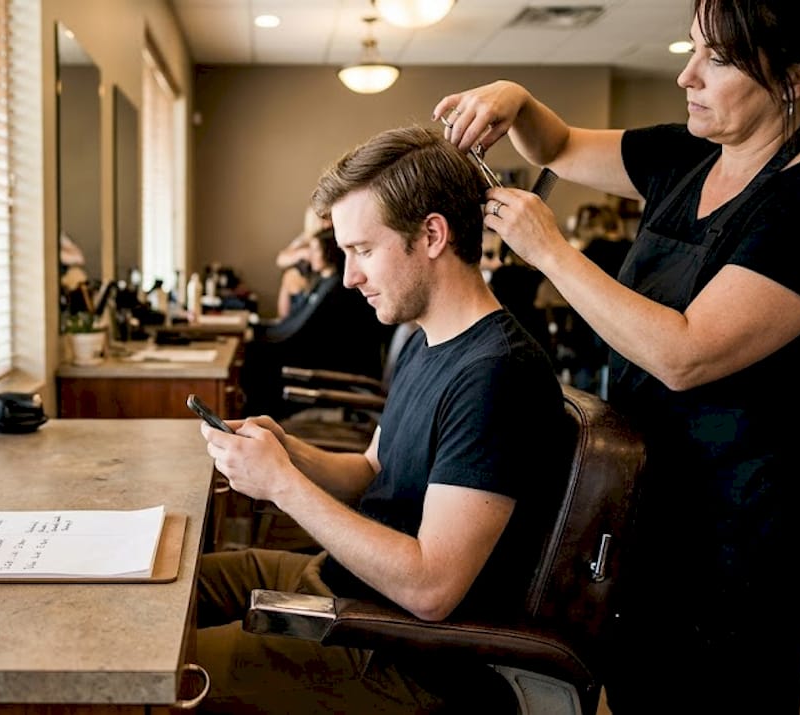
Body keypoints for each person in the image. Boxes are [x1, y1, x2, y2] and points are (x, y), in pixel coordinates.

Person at [433, 1, 800, 712]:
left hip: (746, 536)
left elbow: (685, 354)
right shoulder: (685, 155)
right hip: (648, 508)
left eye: (718, 59)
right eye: (693, 48)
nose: (687, 75)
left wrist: (551, 251)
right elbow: (557, 145)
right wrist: (514, 99)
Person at [194, 125, 566, 713]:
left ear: (433, 235)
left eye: (363, 251)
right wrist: (288, 451)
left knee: (158, 671)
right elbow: (373, 470)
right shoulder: (427, 339)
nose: (349, 276)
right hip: (347, 589)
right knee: (183, 582)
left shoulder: (497, 375)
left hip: (402, 656)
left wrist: (281, 484)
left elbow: (432, 588)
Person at [239, 226, 390, 418]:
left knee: (256, 360)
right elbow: (294, 323)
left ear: (329, 251)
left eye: (315, 249)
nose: (310, 255)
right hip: (312, 353)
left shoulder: (337, 289)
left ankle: (256, 419)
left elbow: (302, 334)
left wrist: (257, 336)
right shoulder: (323, 282)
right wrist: (258, 331)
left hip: (326, 364)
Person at [275, 206, 334, 318]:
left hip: (318, 282)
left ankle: (289, 322)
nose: (325, 223)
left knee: (291, 277)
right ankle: (284, 321)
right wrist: (302, 253)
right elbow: (280, 260)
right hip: (306, 279)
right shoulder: (306, 238)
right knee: (289, 275)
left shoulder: (330, 236)